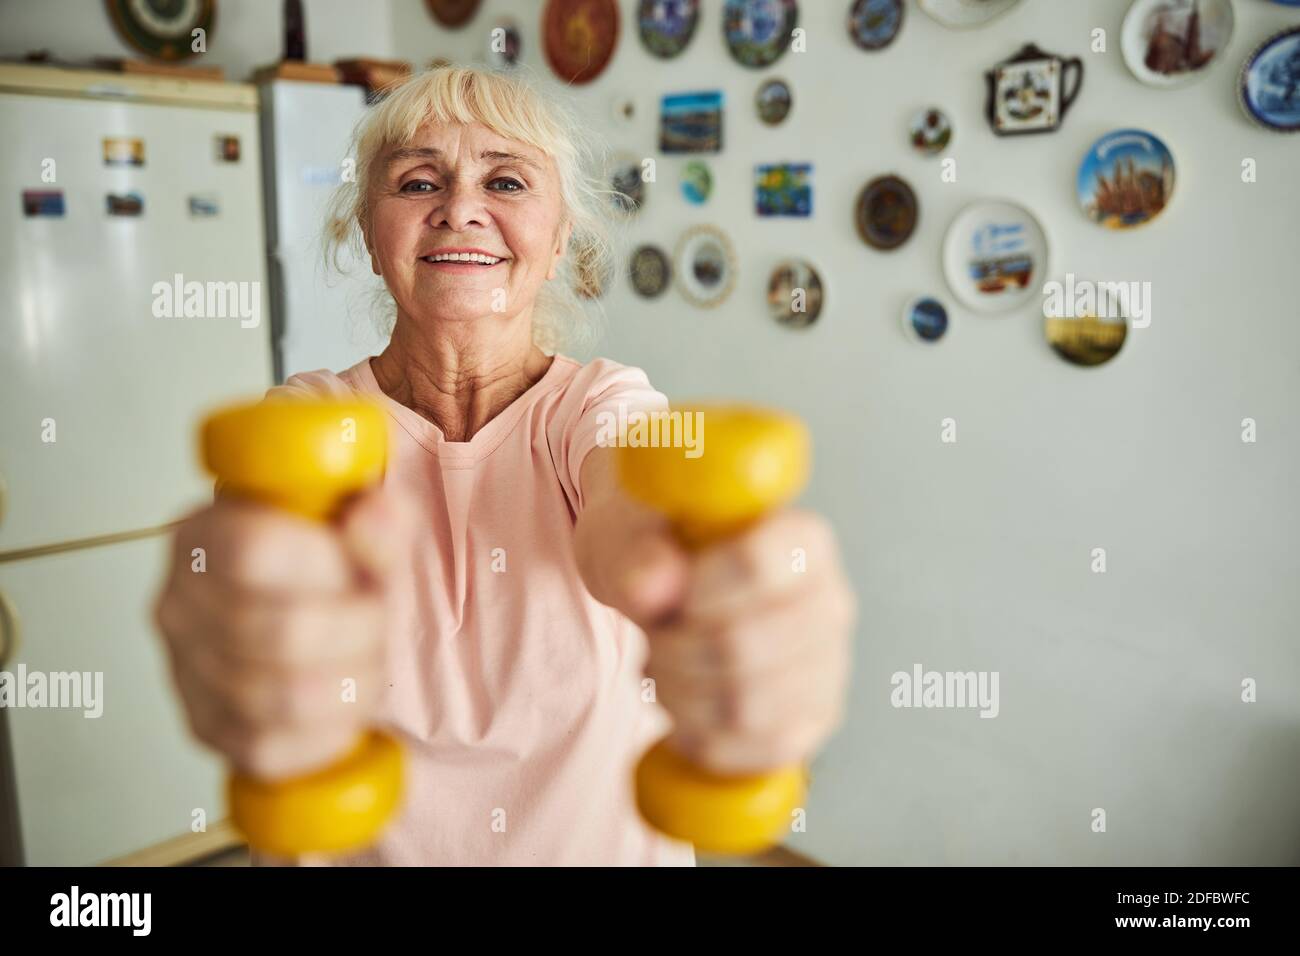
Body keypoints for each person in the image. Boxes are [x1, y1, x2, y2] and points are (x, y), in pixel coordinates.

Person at [153, 66, 855, 866]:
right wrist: (242, 614)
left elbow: (631, 509)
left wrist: (697, 581)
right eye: (418, 181)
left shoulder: (603, 406)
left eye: (507, 180)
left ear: (558, 242)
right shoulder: (307, 423)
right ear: (368, 235)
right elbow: (264, 568)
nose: (459, 209)